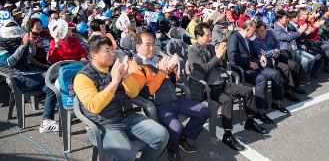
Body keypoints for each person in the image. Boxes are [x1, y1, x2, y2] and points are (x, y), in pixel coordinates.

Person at [73, 35, 169, 161]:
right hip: (104, 124)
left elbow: (134, 94)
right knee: (127, 154)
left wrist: (125, 77)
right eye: (107, 51)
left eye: (113, 50)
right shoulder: (83, 77)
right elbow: (94, 107)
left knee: (161, 135)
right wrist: (114, 82)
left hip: (127, 117)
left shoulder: (115, 68)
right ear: (93, 55)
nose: (113, 54)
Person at [130, 32, 211, 161]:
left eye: (153, 44)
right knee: (176, 127)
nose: (152, 48)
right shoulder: (135, 66)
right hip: (158, 105)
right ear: (137, 46)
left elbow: (174, 82)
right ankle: (173, 149)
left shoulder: (159, 58)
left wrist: (172, 70)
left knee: (205, 111)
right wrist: (162, 71)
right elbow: (147, 92)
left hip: (174, 99)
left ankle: (183, 137)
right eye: (147, 45)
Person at [188, 22, 268, 151]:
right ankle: (228, 134)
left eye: (210, 35)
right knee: (227, 100)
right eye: (207, 35)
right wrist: (218, 56)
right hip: (208, 87)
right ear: (198, 36)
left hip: (221, 82)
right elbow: (204, 69)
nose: (210, 38)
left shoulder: (210, 47)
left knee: (248, 91)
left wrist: (222, 57)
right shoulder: (193, 51)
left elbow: (220, 67)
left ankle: (250, 121)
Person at [0, 19, 58, 133]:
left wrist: (31, 44)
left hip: (28, 73)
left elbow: (31, 55)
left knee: (52, 86)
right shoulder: (2, 46)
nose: (14, 37)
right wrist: (22, 46)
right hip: (17, 78)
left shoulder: (19, 40)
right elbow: (10, 62)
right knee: (52, 75)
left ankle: (47, 121)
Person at [227, 20, 284, 124]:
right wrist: (249, 63)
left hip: (252, 65)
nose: (254, 34)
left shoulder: (248, 38)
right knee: (261, 78)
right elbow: (232, 57)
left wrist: (261, 56)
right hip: (241, 69)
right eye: (253, 32)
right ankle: (260, 112)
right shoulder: (234, 38)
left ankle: (277, 102)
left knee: (275, 74)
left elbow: (254, 53)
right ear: (247, 29)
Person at [254, 20, 304, 102]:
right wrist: (274, 51)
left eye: (263, 31)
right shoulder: (255, 41)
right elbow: (263, 53)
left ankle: (296, 86)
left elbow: (277, 42)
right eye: (258, 32)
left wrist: (277, 49)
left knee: (294, 65)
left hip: (278, 55)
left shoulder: (270, 33)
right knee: (285, 68)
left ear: (266, 29)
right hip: (270, 60)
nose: (261, 34)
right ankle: (288, 92)